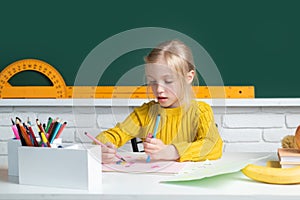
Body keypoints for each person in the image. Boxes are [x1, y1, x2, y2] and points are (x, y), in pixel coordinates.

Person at [95, 40, 223, 163]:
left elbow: (213, 146)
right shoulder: (145, 113)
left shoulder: (200, 112)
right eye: (152, 81)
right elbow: (112, 135)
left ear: (188, 77)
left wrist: (171, 151)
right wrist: (102, 149)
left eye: (168, 81)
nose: (159, 89)